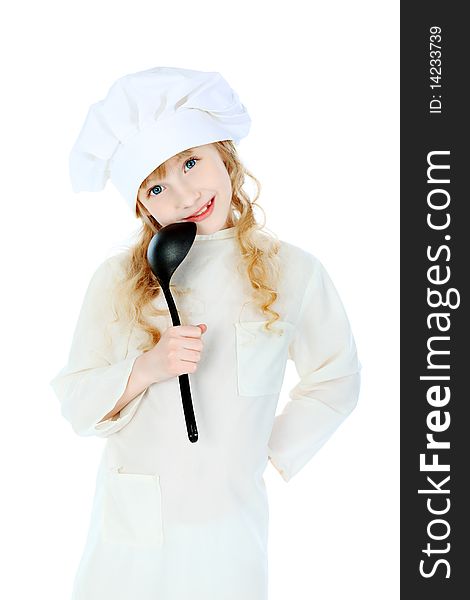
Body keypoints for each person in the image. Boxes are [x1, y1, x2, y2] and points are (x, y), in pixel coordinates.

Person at [50, 66, 362, 600]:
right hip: (131, 539)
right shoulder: (117, 283)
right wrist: (149, 366)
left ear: (226, 156)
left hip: (229, 527)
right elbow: (76, 402)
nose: (186, 193)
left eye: (191, 161)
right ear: (143, 205)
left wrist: (267, 452)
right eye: (158, 185)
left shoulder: (295, 273)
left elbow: (337, 376)